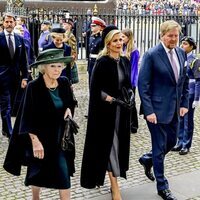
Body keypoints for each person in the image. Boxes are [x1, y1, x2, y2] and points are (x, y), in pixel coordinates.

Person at [3, 49, 77, 200]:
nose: (57, 70)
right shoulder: (34, 86)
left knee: (64, 173)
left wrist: (69, 109)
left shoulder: (63, 82)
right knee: (37, 172)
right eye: (52, 66)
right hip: (40, 137)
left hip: (61, 137)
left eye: (59, 66)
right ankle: (35, 198)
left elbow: (71, 101)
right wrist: (35, 142)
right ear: (44, 68)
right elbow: (27, 116)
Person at [81, 26, 135, 200]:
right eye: (115, 40)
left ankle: (105, 174)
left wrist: (130, 95)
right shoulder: (102, 62)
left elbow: (128, 84)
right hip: (105, 114)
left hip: (122, 113)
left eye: (121, 39)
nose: (119, 43)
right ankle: (115, 187)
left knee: (117, 147)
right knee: (111, 146)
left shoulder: (125, 60)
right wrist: (111, 99)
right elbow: (96, 89)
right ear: (108, 43)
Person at [138, 20, 189, 200]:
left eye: (176, 36)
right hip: (156, 111)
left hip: (175, 109)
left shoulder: (182, 53)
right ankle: (162, 186)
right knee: (159, 147)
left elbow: (183, 81)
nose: (174, 39)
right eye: (170, 36)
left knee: (171, 142)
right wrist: (149, 111)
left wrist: (184, 104)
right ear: (162, 35)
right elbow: (142, 85)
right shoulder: (152, 55)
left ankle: (147, 159)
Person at [0, 12, 28, 138]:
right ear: (3, 23)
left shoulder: (19, 39)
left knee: (12, 104)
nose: (9, 24)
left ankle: (6, 129)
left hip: (16, 77)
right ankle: (10, 132)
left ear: (15, 23)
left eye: (11, 22)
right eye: (7, 21)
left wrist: (25, 77)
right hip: (1, 78)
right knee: (5, 104)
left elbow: (24, 60)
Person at [172, 36, 200, 155]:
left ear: (192, 46)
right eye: (182, 43)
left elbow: (198, 80)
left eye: (185, 44)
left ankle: (186, 144)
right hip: (181, 93)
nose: (182, 46)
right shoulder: (180, 57)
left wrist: (197, 98)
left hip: (191, 92)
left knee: (188, 120)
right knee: (180, 118)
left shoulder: (194, 60)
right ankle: (179, 141)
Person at [121, 28, 139, 133]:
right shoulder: (122, 47)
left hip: (130, 80)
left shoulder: (134, 51)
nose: (121, 39)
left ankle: (134, 125)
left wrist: (131, 83)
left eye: (123, 37)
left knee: (131, 103)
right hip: (123, 79)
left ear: (129, 37)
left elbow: (134, 68)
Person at [87, 16, 106, 86]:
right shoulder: (92, 38)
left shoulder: (102, 39)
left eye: (94, 26)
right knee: (91, 84)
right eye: (91, 25)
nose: (92, 27)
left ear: (100, 27)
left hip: (98, 64)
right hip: (91, 64)